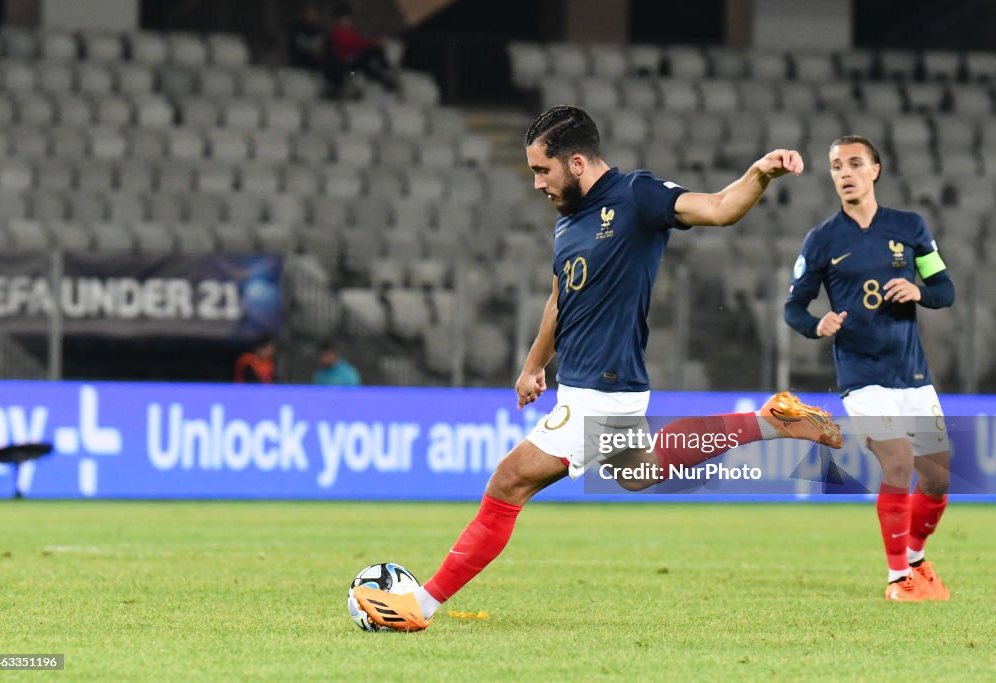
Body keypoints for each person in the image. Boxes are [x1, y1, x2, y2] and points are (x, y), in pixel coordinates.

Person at [353, 105, 842, 631]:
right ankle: (771, 421)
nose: (537, 183)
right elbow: (560, 298)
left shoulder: (637, 195)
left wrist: (760, 174)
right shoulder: (568, 224)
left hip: (601, 387)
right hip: (592, 386)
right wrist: (533, 365)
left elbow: (720, 207)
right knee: (639, 473)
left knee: (508, 482)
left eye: (543, 170)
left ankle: (417, 607)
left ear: (578, 162)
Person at [784, 135, 955, 602]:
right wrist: (817, 324)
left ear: (875, 171)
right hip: (862, 378)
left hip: (913, 376)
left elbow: (944, 288)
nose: (844, 172)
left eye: (855, 163)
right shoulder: (822, 240)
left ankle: (917, 560)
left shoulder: (910, 227)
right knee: (897, 463)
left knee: (938, 479)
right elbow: (793, 308)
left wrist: (920, 291)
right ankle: (899, 578)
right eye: (836, 165)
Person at [326, 1, 399, 94]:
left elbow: (361, 44)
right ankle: (348, 86)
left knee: (373, 56)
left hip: (355, 63)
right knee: (357, 69)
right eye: (344, 19)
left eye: (348, 19)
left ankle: (386, 75)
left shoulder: (350, 32)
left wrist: (374, 43)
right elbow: (340, 49)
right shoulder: (334, 34)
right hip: (344, 67)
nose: (347, 22)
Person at [289, 2, 328, 74]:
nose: (311, 16)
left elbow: (324, 48)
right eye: (309, 13)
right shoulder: (296, 29)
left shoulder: (320, 30)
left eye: (314, 13)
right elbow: (295, 47)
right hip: (299, 66)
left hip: (317, 67)